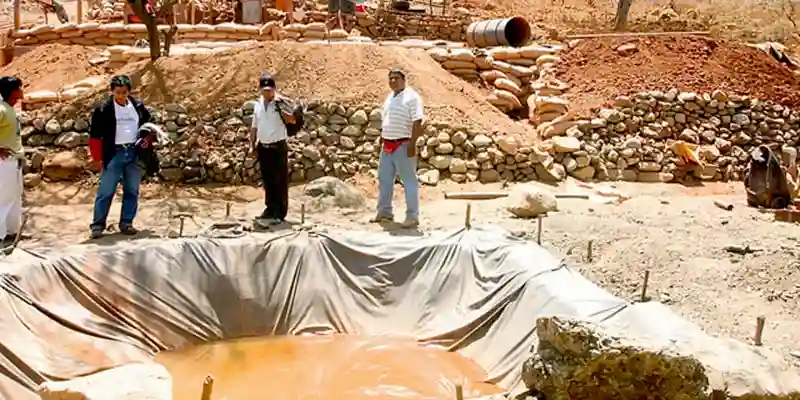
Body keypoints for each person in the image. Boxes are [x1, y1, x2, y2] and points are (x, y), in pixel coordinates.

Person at [88, 75, 152, 239]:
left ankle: (127, 223)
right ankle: (97, 225)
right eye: (118, 92)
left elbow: (149, 124)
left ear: (129, 91)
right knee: (106, 191)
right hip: (113, 153)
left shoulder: (137, 106)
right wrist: (97, 158)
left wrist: (147, 139)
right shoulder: (103, 109)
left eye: (124, 92)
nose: (121, 96)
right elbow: (94, 135)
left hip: (134, 152)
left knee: (132, 190)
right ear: (112, 91)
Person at [371, 68, 424, 228]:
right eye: (390, 79)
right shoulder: (389, 98)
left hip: (403, 144)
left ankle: (412, 216)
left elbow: (418, 121)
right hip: (387, 145)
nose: (393, 81)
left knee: (408, 181)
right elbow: (387, 119)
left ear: (404, 79)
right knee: (384, 179)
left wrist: (412, 144)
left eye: (396, 78)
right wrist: (381, 139)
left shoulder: (412, 97)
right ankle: (384, 212)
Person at [249, 73, 296, 224]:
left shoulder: (281, 102)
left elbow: (293, 120)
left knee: (279, 180)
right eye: (265, 90)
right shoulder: (257, 105)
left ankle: (280, 212)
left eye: (270, 90)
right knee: (268, 180)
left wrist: (282, 109)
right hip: (263, 147)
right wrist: (252, 144)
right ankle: (269, 208)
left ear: (274, 89)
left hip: (278, 146)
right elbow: (254, 126)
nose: (267, 92)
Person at [0, 76, 24, 246]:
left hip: (14, 159)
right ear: (13, 91)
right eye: (20, 88)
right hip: (4, 161)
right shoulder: (1, 109)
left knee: (15, 197)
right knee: (4, 199)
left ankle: (12, 232)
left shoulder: (9, 108)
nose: (22, 91)